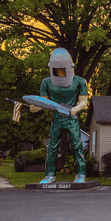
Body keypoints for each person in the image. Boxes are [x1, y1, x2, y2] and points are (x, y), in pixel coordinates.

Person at [30, 48, 89, 184]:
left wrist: (76, 108)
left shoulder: (79, 81)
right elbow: (44, 102)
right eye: (58, 70)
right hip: (56, 118)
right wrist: (35, 107)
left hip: (71, 118)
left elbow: (84, 102)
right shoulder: (47, 83)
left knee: (76, 145)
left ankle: (81, 173)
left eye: (63, 69)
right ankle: (49, 174)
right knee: (52, 146)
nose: (60, 73)